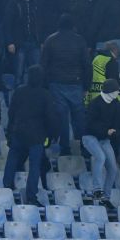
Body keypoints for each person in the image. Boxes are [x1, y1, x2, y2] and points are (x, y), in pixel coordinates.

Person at [3, 65, 57, 205]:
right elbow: (51, 118)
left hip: (18, 131)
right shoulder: (45, 94)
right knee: (34, 166)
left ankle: (6, 188)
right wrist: (51, 135)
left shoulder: (19, 92)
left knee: (12, 160)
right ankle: (31, 196)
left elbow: (11, 113)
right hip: (36, 135)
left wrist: (10, 132)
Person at [40, 14, 88, 156]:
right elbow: (86, 64)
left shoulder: (51, 40)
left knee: (62, 117)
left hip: (56, 83)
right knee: (79, 116)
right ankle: (84, 147)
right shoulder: (80, 41)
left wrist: (45, 85)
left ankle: (65, 148)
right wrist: (86, 86)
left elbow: (43, 64)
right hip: (76, 83)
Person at [82, 78, 120, 206]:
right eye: (116, 90)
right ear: (110, 91)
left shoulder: (115, 103)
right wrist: (106, 130)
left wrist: (114, 130)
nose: (118, 93)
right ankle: (97, 190)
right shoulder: (95, 103)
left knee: (113, 168)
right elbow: (89, 124)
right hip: (90, 136)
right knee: (100, 157)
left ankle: (106, 197)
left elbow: (115, 121)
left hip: (104, 139)